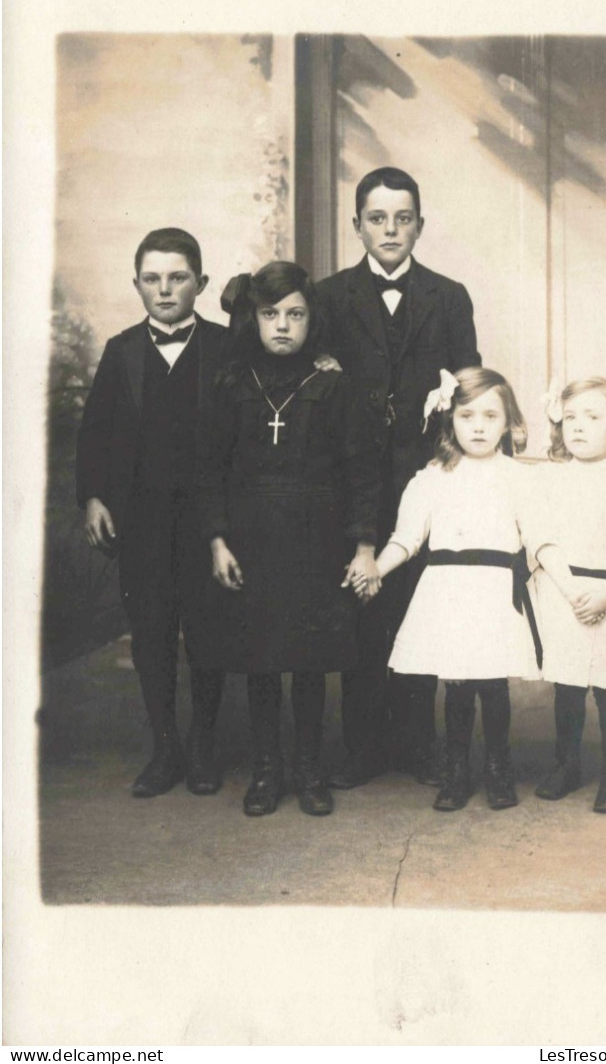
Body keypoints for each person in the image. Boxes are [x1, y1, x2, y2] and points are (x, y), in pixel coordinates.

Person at [315, 166, 481, 790]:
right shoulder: (328, 298)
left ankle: (416, 743)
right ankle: (361, 744)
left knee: (419, 605)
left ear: (419, 224)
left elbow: (469, 387)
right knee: (361, 605)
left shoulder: (448, 295)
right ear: (357, 224)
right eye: (377, 218)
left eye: (402, 218)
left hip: (424, 478)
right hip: (350, 482)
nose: (390, 229)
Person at [194, 261, 380, 818]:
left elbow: (360, 471)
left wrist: (364, 544)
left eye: (295, 315)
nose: (282, 326)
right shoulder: (232, 384)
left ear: (311, 320)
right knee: (262, 659)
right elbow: (210, 469)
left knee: (308, 659)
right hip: (252, 538)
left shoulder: (332, 384)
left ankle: (308, 770)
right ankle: (267, 771)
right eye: (270, 314)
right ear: (252, 319)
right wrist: (217, 541)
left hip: (317, 539)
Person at [76, 228, 227, 798]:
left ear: (201, 284)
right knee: (153, 635)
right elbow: (94, 434)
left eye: (178, 278)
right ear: (137, 284)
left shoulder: (226, 347)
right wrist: (93, 496)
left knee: (209, 631)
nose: (165, 290)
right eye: (152, 279)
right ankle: (166, 749)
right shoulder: (122, 352)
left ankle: (206, 745)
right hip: (141, 523)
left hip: (207, 522)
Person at [353, 368, 542, 812]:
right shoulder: (431, 478)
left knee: (494, 685)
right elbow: (406, 538)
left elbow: (537, 537)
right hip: (449, 591)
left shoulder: (519, 478)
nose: (478, 426)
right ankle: (456, 771)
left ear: (508, 422)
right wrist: (376, 569)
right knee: (456, 686)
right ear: (449, 419)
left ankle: (499, 768)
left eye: (491, 416)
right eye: (467, 415)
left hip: (495, 591)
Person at [530, 377, 606, 814]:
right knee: (567, 686)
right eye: (570, 418)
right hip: (565, 593)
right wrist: (569, 589)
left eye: (593, 417)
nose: (578, 426)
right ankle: (567, 764)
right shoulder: (550, 478)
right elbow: (541, 539)